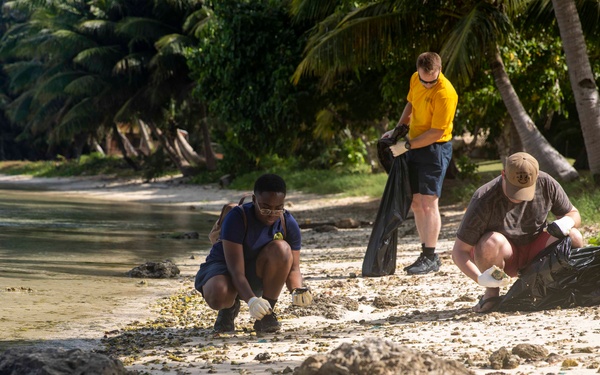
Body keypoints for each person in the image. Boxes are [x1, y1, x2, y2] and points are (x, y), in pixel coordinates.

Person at [451, 152, 584, 313]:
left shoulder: (547, 183)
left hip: (536, 253)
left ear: (536, 178)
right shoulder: (484, 198)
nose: (519, 198)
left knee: (574, 237)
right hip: (505, 258)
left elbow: (573, 214)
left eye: (524, 190)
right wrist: (480, 279)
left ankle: (560, 287)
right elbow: (459, 251)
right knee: (490, 242)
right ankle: (492, 294)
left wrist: (565, 222)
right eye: (515, 189)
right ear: (503, 174)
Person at [195, 173, 313, 333]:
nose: (272, 214)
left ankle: (266, 314)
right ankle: (229, 309)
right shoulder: (237, 218)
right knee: (219, 295)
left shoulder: (287, 222)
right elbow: (236, 272)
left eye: (278, 208)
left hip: (257, 271)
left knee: (282, 249)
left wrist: (298, 290)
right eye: (265, 208)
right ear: (254, 199)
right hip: (226, 270)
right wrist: (251, 301)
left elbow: (294, 269)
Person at [383, 51, 458, 275]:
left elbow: (436, 132)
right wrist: (398, 130)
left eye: (431, 81)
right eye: (424, 80)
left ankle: (431, 256)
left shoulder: (446, 93)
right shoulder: (416, 79)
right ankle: (424, 252)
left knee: (429, 202)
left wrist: (406, 146)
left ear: (439, 71)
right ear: (418, 72)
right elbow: (410, 104)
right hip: (414, 144)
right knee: (415, 202)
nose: (427, 85)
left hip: (435, 149)